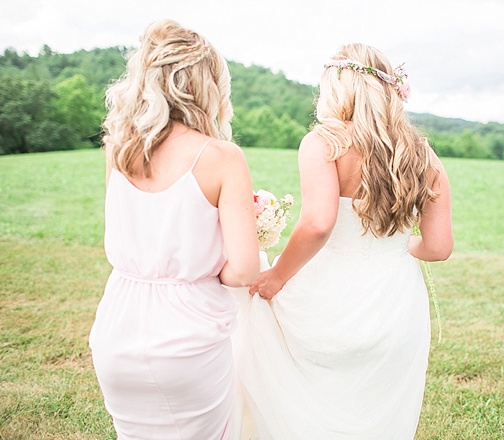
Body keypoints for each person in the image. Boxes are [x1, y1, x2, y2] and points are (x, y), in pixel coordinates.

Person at [231, 43, 453, 439]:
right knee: (373, 407)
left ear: (338, 86)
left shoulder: (324, 142)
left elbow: (318, 223)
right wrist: (400, 249)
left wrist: (278, 276)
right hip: (394, 303)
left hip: (328, 296)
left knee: (289, 372)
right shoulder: (424, 155)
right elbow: (438, 248)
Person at [88, 20, 260, 439]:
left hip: (116, 331)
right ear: (206, 85)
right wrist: (209, 268)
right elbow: (244, 270)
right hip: (189, 337)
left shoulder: (119, 146)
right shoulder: (221, 157)